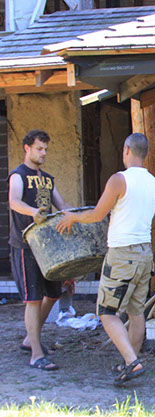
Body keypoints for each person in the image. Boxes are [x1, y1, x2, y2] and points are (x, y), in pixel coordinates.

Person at [56, 133, 155, 385]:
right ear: (145, 153)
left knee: (106, 312)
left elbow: (97, 214)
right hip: (144, 253)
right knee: (136, 312)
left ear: (126, 150)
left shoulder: (119, 179)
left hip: (122, 254)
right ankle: (129, 362)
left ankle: (132, 362)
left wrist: (72, 217)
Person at [8, 129, 72, 371]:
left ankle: (29, 338)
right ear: (27, 148)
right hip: (25, 246)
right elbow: (14, 201)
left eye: (46, 149)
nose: (43, 153)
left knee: (53, 294)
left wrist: (83, 214)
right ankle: (36, 354)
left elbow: (62, 205)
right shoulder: (18, 175)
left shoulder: (47, 179)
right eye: (39, 149)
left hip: (48, 248)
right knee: (33, 299)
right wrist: (32, 212)